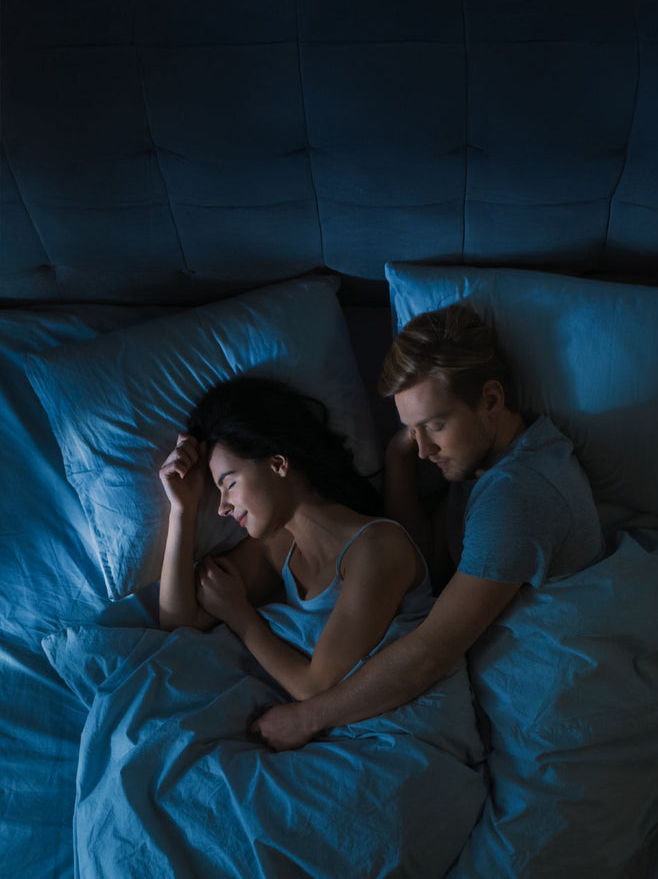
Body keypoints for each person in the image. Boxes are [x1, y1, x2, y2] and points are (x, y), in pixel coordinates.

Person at [251, 304, 604, 748]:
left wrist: (307, 717)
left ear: (491, 400)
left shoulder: (514, 496)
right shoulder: (482, 456)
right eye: (410, 429)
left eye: (434, 425)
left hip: (558, 677)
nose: (424, 450)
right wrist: (398, 457)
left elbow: (432, 650)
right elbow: (423, 559)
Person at [157, 376, 433, 703]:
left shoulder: (377, 548)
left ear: (278, 464)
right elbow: (179, 621)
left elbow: (316, 687)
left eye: (229, 485)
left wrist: (240, 615)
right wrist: (182, 510)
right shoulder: (277, 547)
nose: (222, 508)